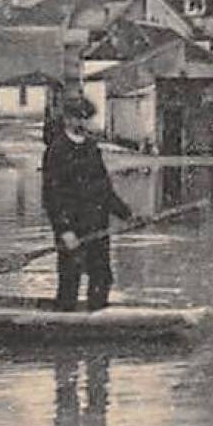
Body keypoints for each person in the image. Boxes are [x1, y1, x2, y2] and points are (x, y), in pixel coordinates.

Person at [42, 93, 133, 311]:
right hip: (73, 227)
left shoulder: (92, 148)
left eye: (86, 118)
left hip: (97, 225)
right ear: (67, 119)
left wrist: (126, 213)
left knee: (102, 277)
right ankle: (64, 324)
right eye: (78, 117)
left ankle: (97, 316)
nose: (82, 122)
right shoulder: (57, 150)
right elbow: (52, 195)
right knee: (70, 278)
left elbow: (104, 188)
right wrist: (64, 230)